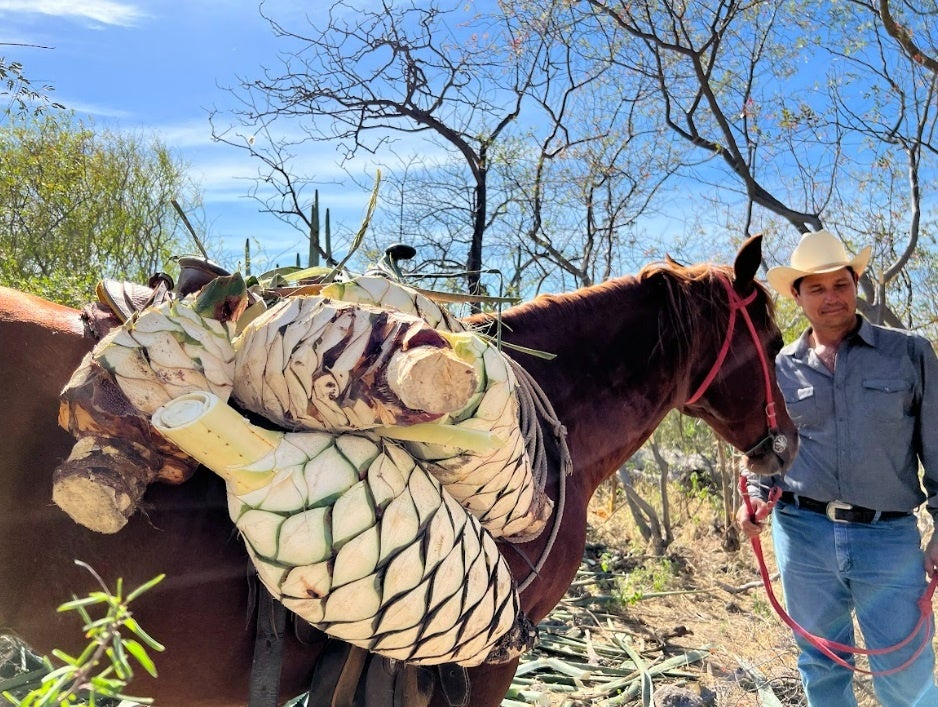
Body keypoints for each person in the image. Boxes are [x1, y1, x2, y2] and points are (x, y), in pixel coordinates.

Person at [737, 229, 938, 706]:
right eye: (817, 288)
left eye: (841, 284)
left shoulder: (910, 353)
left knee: (906, 670)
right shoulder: (779, 367)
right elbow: (760, 451)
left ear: (855, 285)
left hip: (887, 537)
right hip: (802, 534)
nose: (832, 298)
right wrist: (752, 497)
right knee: (820, 664)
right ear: (797, 296)